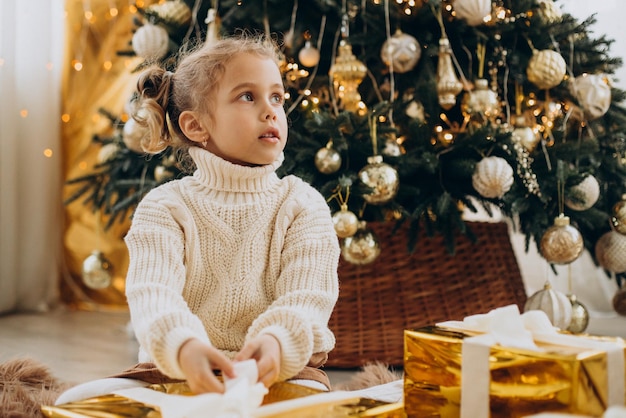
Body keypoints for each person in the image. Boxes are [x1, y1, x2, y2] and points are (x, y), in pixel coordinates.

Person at [55, 32, 340, 405]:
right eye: (247, 96)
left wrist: (276, 342)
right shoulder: (165, 207)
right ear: (196, 126)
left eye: (276, 97)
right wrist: (184, 347)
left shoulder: (303, 204)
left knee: (313, 403)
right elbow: (152, 295)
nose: (271, 110)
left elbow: (308, 298)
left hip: (279, 367)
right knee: (78, 401)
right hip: (176, 367)